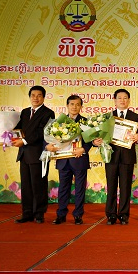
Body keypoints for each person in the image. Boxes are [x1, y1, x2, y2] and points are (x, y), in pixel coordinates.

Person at [93, 89, 138, 225]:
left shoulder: (135, 117)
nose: (122, 100)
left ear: (129, 100)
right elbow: (99, 135)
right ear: (115, 100)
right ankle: (111, 215)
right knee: (111, 186)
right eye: (119, 98)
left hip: (127, 157)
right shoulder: (107, 117)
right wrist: (95, 141)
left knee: (125, 187)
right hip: (111, 156)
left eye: (125, 98)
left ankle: (123, 215)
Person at [46, 95, 91, 225]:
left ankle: (78, 215)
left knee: (80, 189)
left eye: (77, 104)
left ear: (81, 107)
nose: (74, 107)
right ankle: (61, 215)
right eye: (72, 104)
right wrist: (49, 146)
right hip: (63, 159)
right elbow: (51, 138)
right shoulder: (59, 122)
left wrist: (83, 149)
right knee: (63, 188)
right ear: (67, 106)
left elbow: (90, 140)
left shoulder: (85, 122)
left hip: (79, 159)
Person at [12, 86, 55, 224]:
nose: (35, 98)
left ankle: (39, 213)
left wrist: (24, 141)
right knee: (26, 186)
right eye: (33, 95)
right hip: (24, 154)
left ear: (44, 97)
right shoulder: (25, 112)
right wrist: (2, 130)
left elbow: (42, 132)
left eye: (39, 95)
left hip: (38, 154)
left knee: (38, 185)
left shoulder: (48, 113)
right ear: (30, 97)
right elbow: (18, 129)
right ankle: (27, 213)